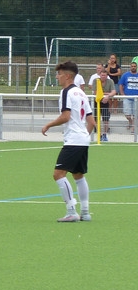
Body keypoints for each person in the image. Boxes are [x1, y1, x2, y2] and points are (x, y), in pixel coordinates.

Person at [41, 60, 95, 222]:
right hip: (83, 140)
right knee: (79, 176)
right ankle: (85, 212)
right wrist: (84, 136)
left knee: (58, 174)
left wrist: (48, 125)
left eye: (59, 74)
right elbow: (92, 122)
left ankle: (71, 211)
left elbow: (66, 116)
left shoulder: (66, 92)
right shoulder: (82, 93)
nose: (57, 77)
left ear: (67, 76)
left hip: (73, 140)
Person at [92, 66, 115, 141]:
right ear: (100, 75)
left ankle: (104, 134)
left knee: (106, 119)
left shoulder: (110, 81)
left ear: (107, 75)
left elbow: (114, 91)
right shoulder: (96, 81)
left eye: (104, 75)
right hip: (97, 101)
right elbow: (95, 92)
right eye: (102, 75)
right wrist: (105, 94)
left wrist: (108, 96)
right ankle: (99, 133)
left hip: (106, 102)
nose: (103, 77)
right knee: (96, 118)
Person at [117, 59, 138, 135]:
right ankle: (130, 122)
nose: (133, 67)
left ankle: (133, 128)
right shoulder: (125, 75)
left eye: (134, 66)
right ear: (130, 67)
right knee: (127, 114)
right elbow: (120, 84)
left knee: (135, 114)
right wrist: (122, 93)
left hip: (136, 98)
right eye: (132, 66)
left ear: (136, 67)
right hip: (127, 97)